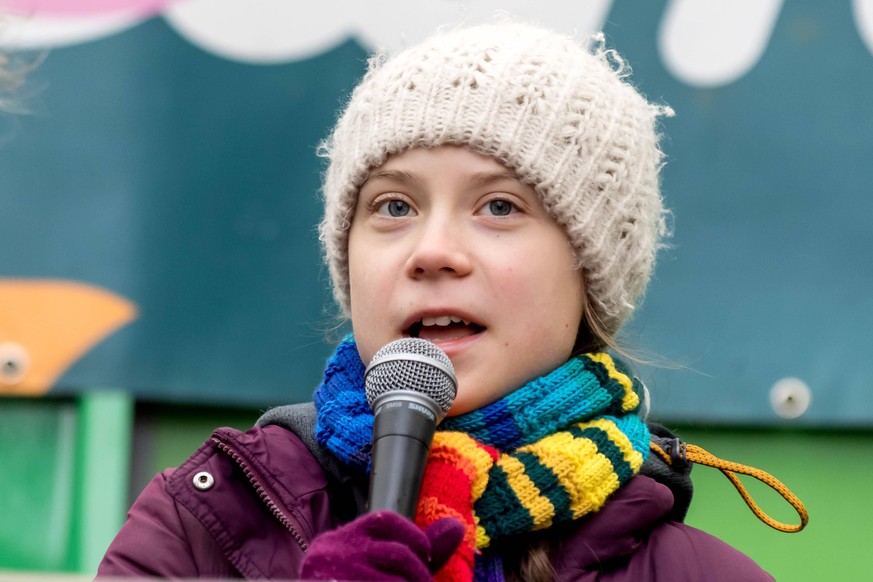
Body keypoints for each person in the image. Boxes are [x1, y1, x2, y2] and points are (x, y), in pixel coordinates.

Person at [98, 20, 790, 581]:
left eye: (497, 206)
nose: (431, 251)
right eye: (393, 205)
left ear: (590, 271)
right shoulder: (202, 525)